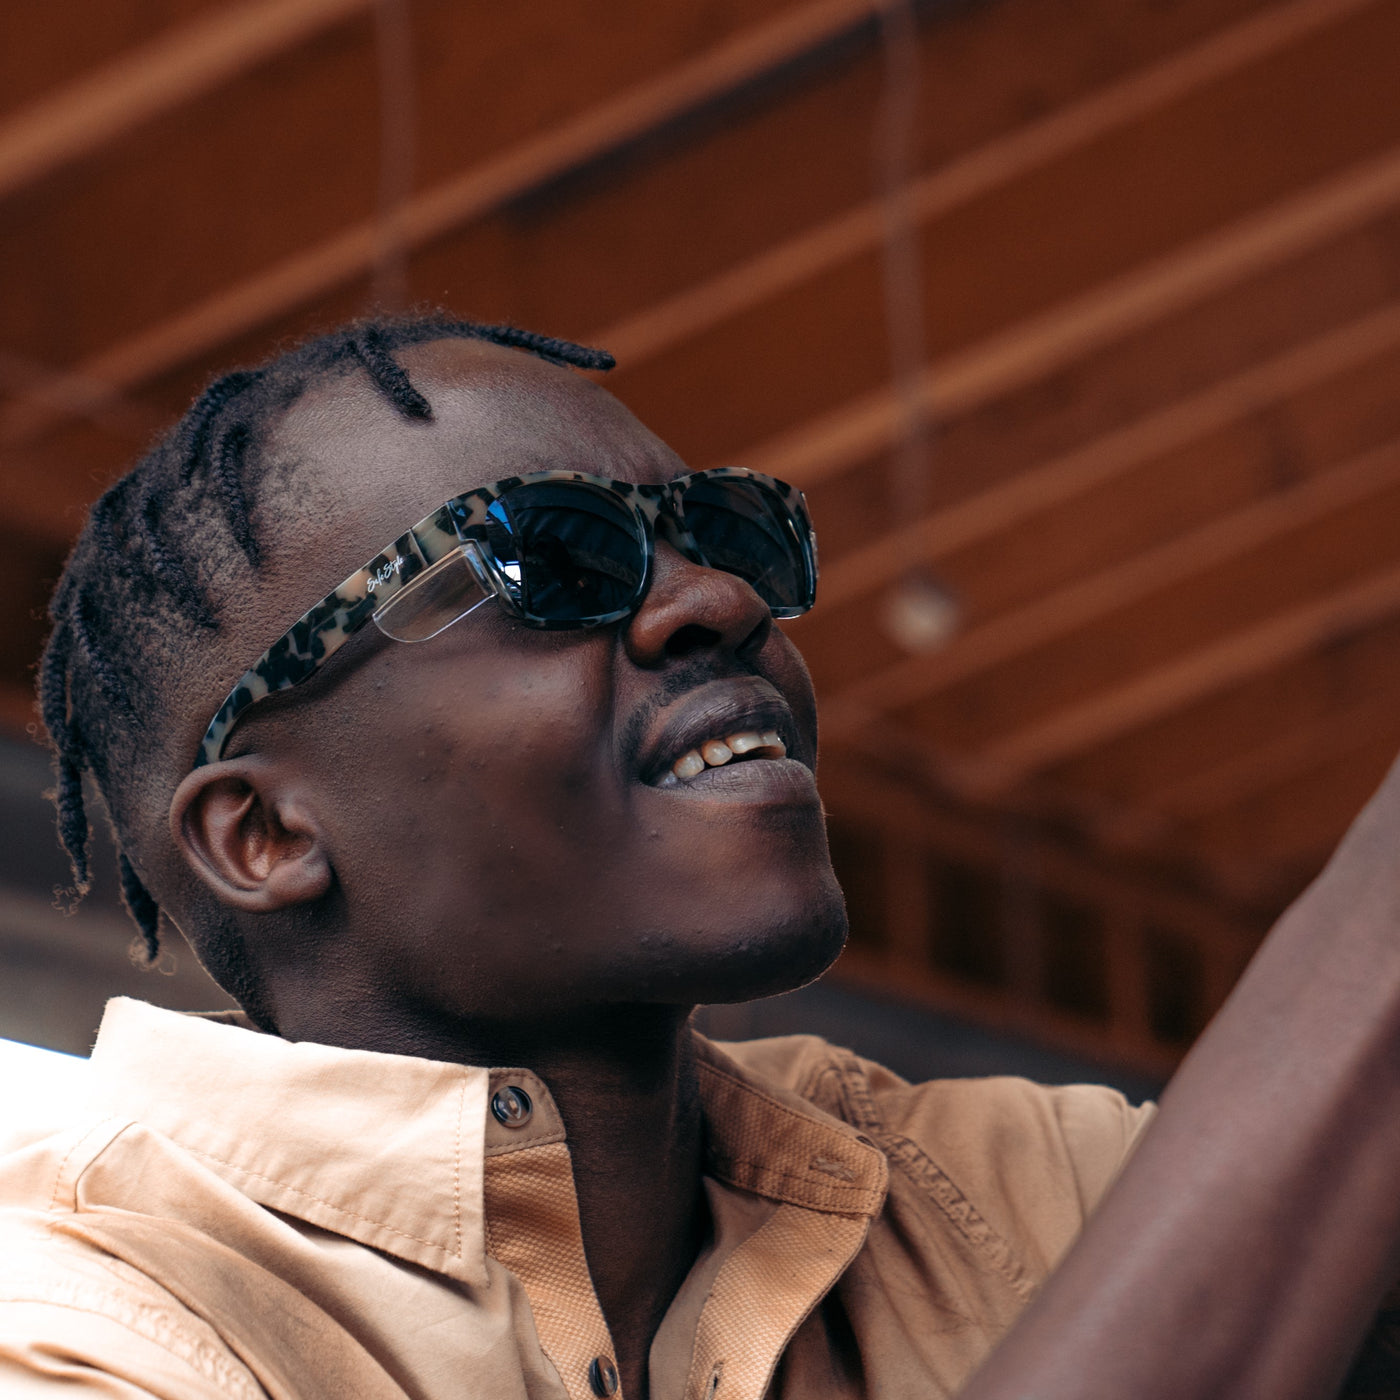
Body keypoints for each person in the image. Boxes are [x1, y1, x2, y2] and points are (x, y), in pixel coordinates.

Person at [1, 314, 1398, 1400]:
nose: (720, 601)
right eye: (553, 563)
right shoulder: (78, 1321)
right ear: (265, 834)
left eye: (726, 534)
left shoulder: (1028, 1189)